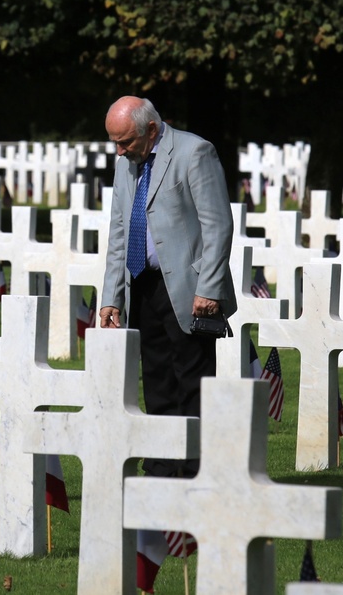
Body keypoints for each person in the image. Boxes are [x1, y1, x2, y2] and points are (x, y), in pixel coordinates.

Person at [98, 96, 237, 478]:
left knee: (192, 380)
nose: (119, 150)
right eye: (115, 141)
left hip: (190, 290)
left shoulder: (195, 152)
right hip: (142, 283)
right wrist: (112, 295)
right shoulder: (127, 163)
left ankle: (195, 466)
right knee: (156, 379)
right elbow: (119, 232)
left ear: (152, 130)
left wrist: (209, 287)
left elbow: (218, 225)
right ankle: (161, 462)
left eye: (125, 141)